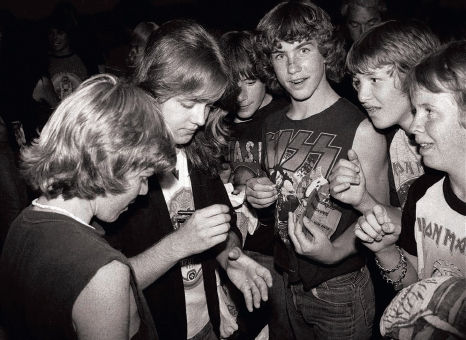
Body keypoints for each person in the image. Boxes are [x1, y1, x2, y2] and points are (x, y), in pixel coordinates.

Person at [104, 20, 273, 340]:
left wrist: (230, 258)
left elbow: (223, 224)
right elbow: (102, 288)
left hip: (206, 322)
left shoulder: (196, 149)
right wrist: (179, 245)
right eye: (188, 103)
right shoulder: (117, 168)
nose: (199, 119)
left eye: (207, 105)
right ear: (152, 91)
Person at [246, 2, 389, 339]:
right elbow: (280, 198)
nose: (292, 67)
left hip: (339, 287)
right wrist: (261, 197)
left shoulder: (362, 129)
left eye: (304, 49)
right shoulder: (271, 124)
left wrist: (332, 253)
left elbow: (382, 222)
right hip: (282, 278)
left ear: (325, 52)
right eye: (280, 54)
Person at [0, 73, 176, 339]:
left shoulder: (22, 224)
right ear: (108, 163)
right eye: (143, 178)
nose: (143, 192)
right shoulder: (103, 272)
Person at [328, 19, 441, 337]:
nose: (362, 96)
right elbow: (415, 229)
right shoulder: (397, 142)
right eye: (357, 82)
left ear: (413, 74)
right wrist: (362, 199)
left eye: (374, 80)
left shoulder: (449, 144)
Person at [354, 39, 466, 337]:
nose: (415, 127)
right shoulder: (423, 194)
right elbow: (414, 286)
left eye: (429, 111)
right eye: (415, 111)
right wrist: (385, 250)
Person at [219, 30, 287, 339]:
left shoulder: (285, 115)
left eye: (251, 82)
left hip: (278, 253)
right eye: (233, 85)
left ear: (266, 77)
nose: (242, 96)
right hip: (235, 247)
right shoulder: (218, 122)